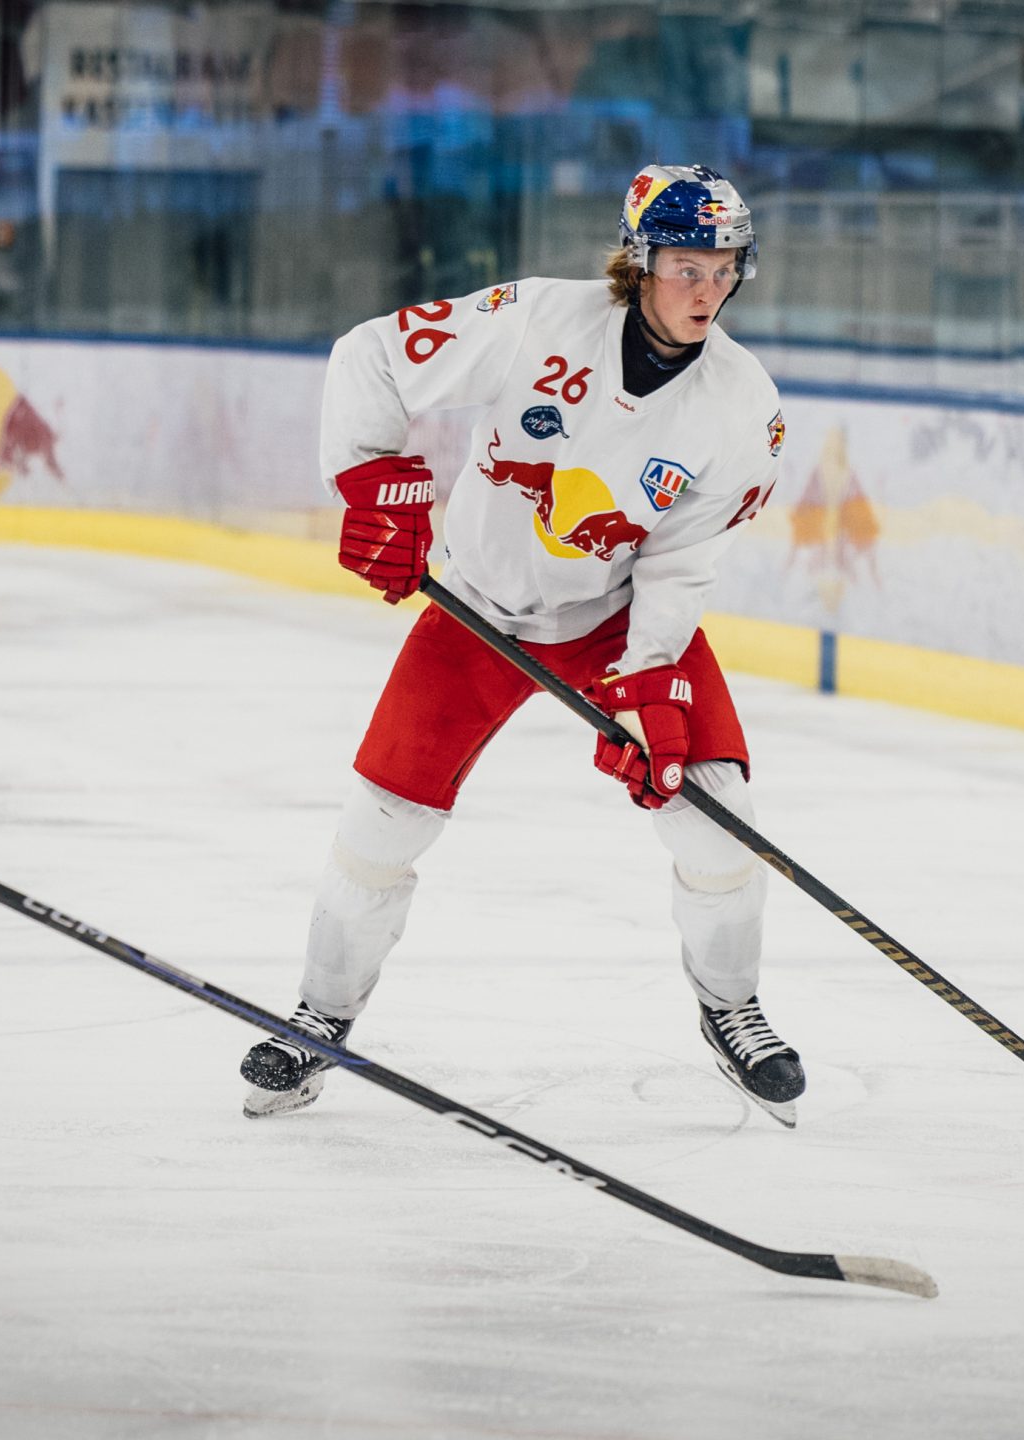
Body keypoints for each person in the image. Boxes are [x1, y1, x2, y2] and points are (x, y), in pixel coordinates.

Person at [238, 165, 798, 1123]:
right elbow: (370, 355)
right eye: (682, 266)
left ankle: (731, 1007)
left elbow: (681, 559)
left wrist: (654, 674)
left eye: (723, 267)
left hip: (618, 619)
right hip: (477, 612)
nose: (705, 289)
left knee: (716, 810)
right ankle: (319, 1019)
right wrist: (375, 479)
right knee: (381, 823)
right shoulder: (537, 320)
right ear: (638, 260)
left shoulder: (747, 409)